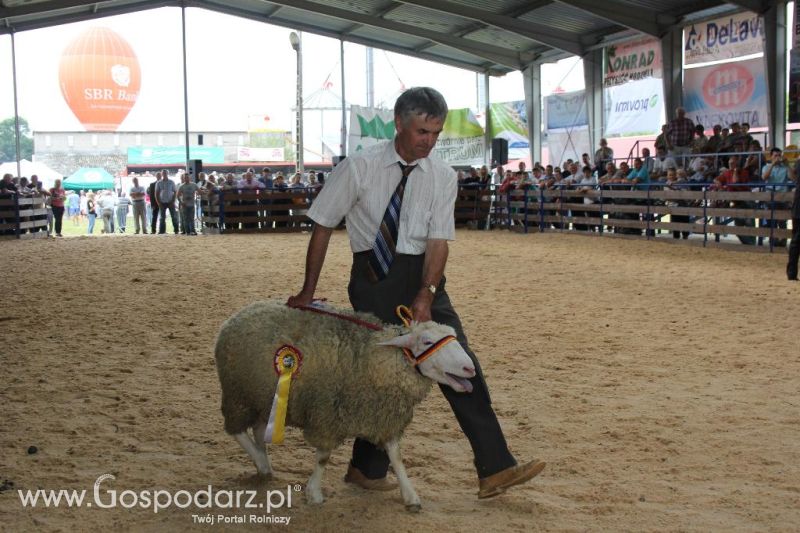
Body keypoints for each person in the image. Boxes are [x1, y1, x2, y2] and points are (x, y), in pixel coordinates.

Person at [287, 87, 545, 499]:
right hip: (373, 277)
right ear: (399, 123)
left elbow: (439, 240)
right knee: (388, 374)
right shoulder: (359, 166)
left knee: (461, 362)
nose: (429, 141)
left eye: (436, 133)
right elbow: (322, 224)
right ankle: (366, 468)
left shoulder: (443, 176)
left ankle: (494, 467)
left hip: (424, 274)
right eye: (423, 131)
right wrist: (307, 291)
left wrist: (427, 292)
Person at [762, 147, 795, 247]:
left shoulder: (785, 167)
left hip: (782, 197)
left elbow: (793, 178)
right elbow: (764, 177)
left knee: (782, 218)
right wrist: (772, 165)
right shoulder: (766, 167)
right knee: (771, 217)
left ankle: (783, 239)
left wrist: (787, 164)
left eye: (779, 155)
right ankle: (774, 238)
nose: (777, 157)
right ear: (771, 156)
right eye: (775, 155)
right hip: (770, 196)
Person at [787, 174, 800, 280]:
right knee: (796, 241)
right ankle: (791, 273)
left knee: (795, 242)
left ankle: (792, 273)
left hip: (797, 209)